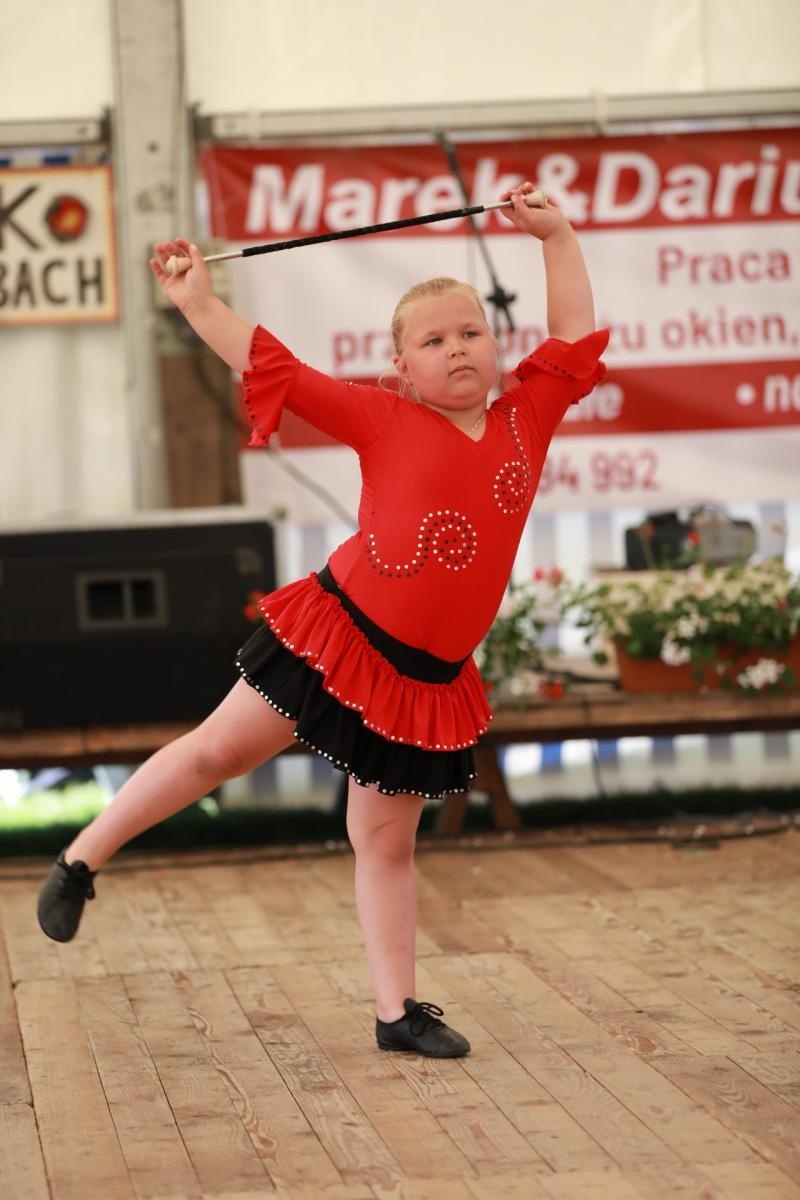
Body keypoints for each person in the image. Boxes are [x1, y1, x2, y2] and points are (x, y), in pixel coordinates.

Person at [37, 182, 608, 1057]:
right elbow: (276, 369)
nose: (457, 348)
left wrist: (556, 237)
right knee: (217, 754)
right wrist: (196, 301)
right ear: (400, 369)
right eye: (433, 341)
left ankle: (396, 1012)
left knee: (384, 841)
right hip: (336, 636)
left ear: (496, 347)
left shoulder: (527, 417)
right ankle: (81, 859)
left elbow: (571, 336)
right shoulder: (383, 417)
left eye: (470, 333)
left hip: (421, 681)